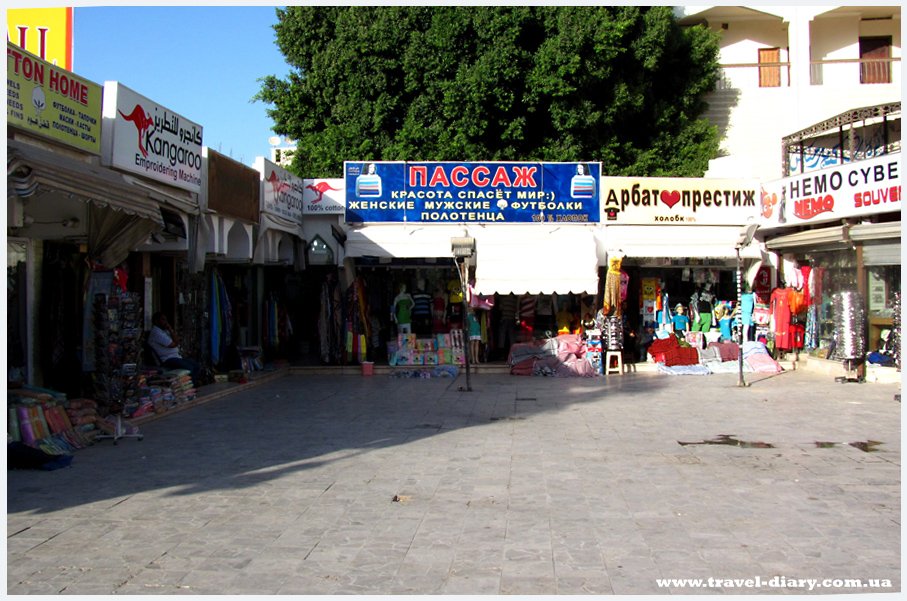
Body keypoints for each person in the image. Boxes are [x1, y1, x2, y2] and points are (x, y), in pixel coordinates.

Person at [148, 312, 201, 386]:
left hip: (176, 356)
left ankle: (192, 385)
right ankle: (188, 387)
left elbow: (177, 340)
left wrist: (170, 330)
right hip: (167, 359)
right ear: (156, 321)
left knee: (196, 366)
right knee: (189, 368)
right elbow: (173, 344)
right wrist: (175, 342)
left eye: (166, 319)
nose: (165, 322)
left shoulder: (164, 331)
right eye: (163, 320)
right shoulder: (156, 333)